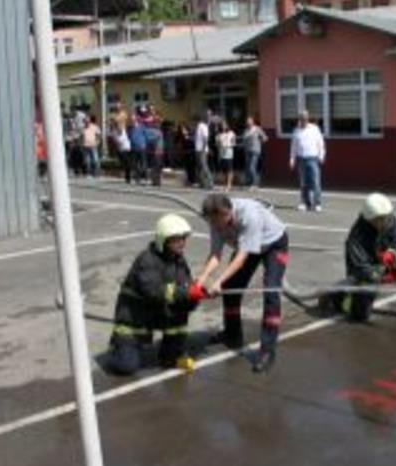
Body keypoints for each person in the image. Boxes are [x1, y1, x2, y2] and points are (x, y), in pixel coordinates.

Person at [195, 194, 289, 373]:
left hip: (273, 243)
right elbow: (215, 254)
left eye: (216, 223)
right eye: (211, 222)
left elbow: (241, 259)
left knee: (271, 291)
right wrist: (202, 278)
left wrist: (218, 282)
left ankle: (267, 351)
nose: (214, 227)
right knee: (230, 286)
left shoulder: (248, 216)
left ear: (227, 214)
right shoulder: (215, 220)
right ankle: (232, 335)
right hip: (248, 247)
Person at [106, 214, 208, 376]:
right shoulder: (146, 260)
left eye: (184, 238)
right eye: (177, 239)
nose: (182, 242)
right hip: (134, 319)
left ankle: (171, 354)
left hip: (158, 313)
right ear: (164, 240)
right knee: (127, 366)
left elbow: (184, 289)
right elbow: (154, 291)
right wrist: (186, 292)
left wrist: (196, 296)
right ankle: (116, 350)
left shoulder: (179, 260)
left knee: (180, 314)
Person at [337, 193, 396, 322]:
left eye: (385, 217)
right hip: (368, 273)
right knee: (360, 316)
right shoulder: (356, 237)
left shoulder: (391, 223)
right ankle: (340, 296)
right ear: (369, 218)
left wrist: (394, 254)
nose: (383, 222)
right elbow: (360, 269)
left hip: (387, 265)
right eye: (379, 219)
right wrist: (382, 273)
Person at [290, 110, 325, 212]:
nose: (303, 120)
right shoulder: (296, 131)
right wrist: (292, 159)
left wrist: (321, 156)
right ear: (299, 119)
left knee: (315, 182)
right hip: (301, 159)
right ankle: (305, 203)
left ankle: (317, 203)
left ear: (308, 118)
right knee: (303, 182)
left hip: (313, 158)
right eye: (301, 119)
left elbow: (320, 143)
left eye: (305, 118)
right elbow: (293, 146)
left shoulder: (314, 129)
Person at [242, 116, 268, 190]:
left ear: (252, 122)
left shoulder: (257, 129)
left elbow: (265, 137)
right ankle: (249, 182)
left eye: (249, 121)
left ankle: (255, 184)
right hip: (247, 150)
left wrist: (260, 142)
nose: (248, 123)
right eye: (247, 122)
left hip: (255, 150)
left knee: (252, 167)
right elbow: (244, 139)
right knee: (248, 167)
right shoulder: (246, 130)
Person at [128, 111, 149, 184]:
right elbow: (129, 137)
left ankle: (146, 178)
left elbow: (146, 136)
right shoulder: (130, 128)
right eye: (131, 119)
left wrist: (144, 144)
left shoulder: (142, 127)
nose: (132, 120)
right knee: (135, 164)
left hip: (142, 147)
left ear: (136, 119)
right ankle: (137, 178)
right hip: (134, 148)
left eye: (133, 119)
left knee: (143, 164)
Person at [216, 121, 236, 192]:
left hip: (228, 154)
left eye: (224, 125)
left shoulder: (231, 133)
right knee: (224, 171)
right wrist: (220, 145)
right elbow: (217, 144)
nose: (223, 126)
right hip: (221, 154)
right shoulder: (218, 135)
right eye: (222, 125)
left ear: (227, 126)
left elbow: (234, 143)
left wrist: (228, 145)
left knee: (229, 170)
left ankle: (229, 185)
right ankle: (225, 184)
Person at [194, 114, 212, 189]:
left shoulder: (203, 126)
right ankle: (202, 183)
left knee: (204, 166)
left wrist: (203, 148)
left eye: (194, 121)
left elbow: (205, 138)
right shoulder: (198, 127)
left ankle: (210, 183)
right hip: (198, 149)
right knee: (200, 167)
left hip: (202, 150)